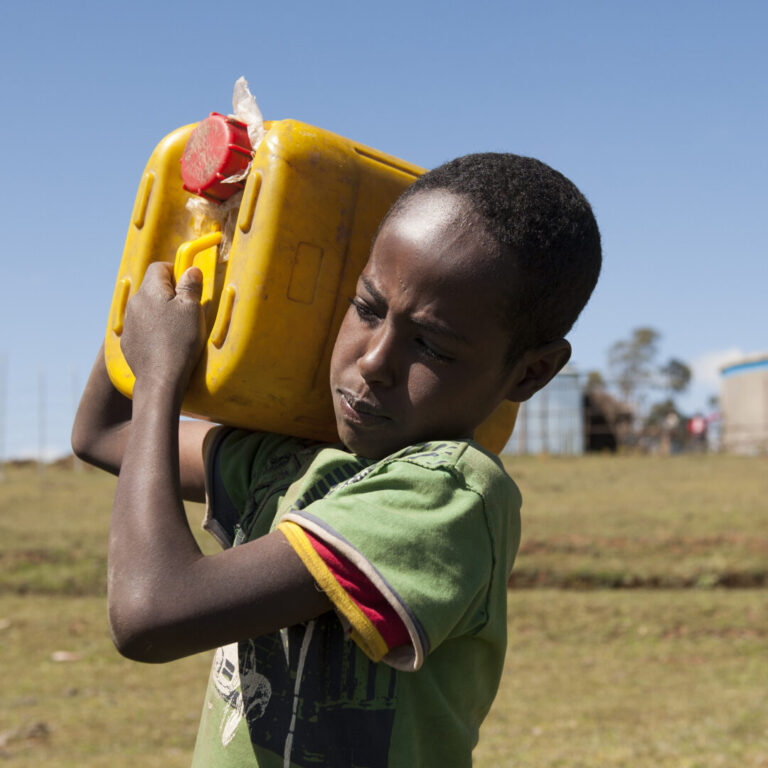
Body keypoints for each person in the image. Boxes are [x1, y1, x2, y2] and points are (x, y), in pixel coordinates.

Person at [72, 152, 601, 767]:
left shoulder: (446, 495)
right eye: (367, 307)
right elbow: (106, 433)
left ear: (532, 371)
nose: (374, 360)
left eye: (430, 344)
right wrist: (189, 246)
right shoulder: (300, 460)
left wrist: (160, 373)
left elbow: (150, 613)